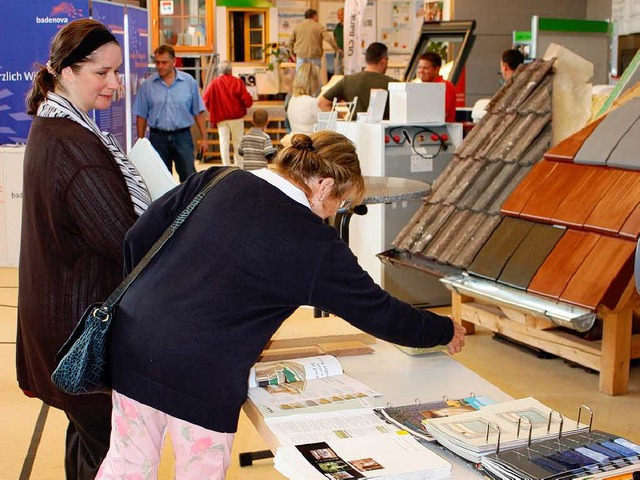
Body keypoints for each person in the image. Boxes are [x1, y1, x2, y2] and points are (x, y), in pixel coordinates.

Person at [96, 131, 466, 479]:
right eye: (341, 202)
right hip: (201, 372)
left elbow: (137, 237)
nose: (334, 214)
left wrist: (155, 305)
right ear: (324, 186)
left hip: (134, 341)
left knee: (127, 464)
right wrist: (444, 329)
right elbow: (379, 312)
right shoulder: (315, 244)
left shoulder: (218, 179)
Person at [17, 19, 151, 480]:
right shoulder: (74, 146)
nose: (115, 83)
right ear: (67, 72)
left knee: (88, 443)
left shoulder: (57, 127)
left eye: (118, 72)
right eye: (103, 73)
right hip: (80, 335)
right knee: (112, 455)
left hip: (64, 327)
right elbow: (125, 243)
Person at [133, 44, 208, 182]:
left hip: (182, 137)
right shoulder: (148, 85)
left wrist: (204, 138)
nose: (160, 66)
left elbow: (198, 111)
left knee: (189, 177)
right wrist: (141, 141)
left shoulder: (189, 82)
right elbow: (141, 115)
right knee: (161, 179)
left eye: (164, 62)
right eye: (157, 62)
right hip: (158, 138)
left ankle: (188, 203)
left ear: (174, 62)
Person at [318, 42, 397, 119]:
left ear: (367, 59)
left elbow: (322, 103)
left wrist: (341, 120)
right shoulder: (394, 84)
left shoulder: (347, 81)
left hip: (355, 130)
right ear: (383, 61)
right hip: (386, 131)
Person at [202, 61, 254, 167]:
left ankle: (226, 166)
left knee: (223, 142)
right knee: (238, 142)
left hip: (221, 118)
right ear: (230, 70)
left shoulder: (214, 83)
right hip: (236, 117)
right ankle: (240, 165)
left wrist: (212, 110)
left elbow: (205, 100)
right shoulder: (237, 82)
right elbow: (247, 101)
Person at [414, 52, 456, 122]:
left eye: (426, 68)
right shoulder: (422, 87)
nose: (421, 71)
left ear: (437, 69)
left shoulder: (445, 86)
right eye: (419, 67)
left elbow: (443, 113)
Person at [287, 62, 322, 134]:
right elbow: (329, 120)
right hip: (309, 141)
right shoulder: (311, 102)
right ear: (313, 81)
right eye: (318, 78)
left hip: (296, 139)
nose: (320, 81)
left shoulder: (293, 99)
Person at [333, 7, 345, 74]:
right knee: (337, 73)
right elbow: (334, 37)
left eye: (340, 15)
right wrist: (337, 48)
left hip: (346, 54)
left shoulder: (348, 26)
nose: (339, 17)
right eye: (338, 15)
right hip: (338, 53)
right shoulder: (337, 26)